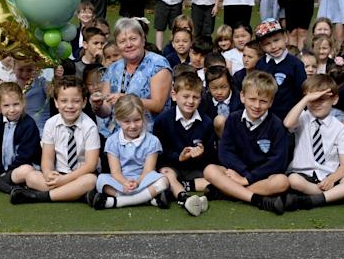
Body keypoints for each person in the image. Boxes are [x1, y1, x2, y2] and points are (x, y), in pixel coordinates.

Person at [203, 71, 290, 214]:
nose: (257, 105)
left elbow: (278, 161)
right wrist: (241, 175)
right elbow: (225, 152)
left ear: (271, 102)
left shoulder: (276, 125)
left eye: (263, 101)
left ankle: (226, 193)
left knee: (282, 182)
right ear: (242, 97)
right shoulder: (233, 119)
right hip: (237, 173)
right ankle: (256, 199)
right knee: (210, 170)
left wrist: (247, 179)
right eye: (252, 99)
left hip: (262, 177)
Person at [282, 75, 344, 210]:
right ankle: (342, 196)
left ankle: (313, 200)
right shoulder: (302, 118)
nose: (317, 104)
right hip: (303, 176)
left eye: (322, 99)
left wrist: (332, 179)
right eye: (313, 99)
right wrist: (306, 98)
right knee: (293, 181)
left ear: (334, 100)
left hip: (330, 176)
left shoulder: (340, 128)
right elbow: (287, 123)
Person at [10, 76, 102, 205]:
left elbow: (90, 165)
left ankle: (39, 196)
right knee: (31, 177)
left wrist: (64, 180)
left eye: (76, 101)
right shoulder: (51, 124)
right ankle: (73, 194)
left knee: (91, 181)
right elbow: (47, 158)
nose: (69, 106)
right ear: (56, 103)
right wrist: (48, 173)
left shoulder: (90, 126)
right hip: (58, 173)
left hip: (80, 174)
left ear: (84, 102)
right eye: (64, 101)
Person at [90, 94, 172, 210]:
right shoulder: (112, 141)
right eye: (127, 121)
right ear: (117, 120)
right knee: (101, 180)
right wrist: (125, 183)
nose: (133, 126)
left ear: (143, 116)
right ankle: (147, 199)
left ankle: (117, 202)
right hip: (120, 181)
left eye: (137, 120)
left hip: (144, 180)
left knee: (163, 180)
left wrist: (137, 182)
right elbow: (115, 172)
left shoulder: (152, 141)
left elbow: (148, 170)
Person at [152, 71, 213, 216]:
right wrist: (178, 157)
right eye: (185, 96)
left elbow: (211, 156)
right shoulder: (163, 120)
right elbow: (159, 151)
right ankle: (183, 197)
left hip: (194, 169)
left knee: (212, 180)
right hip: (172, 166)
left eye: (195, 97)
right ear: (174, 95)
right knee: (166, 174)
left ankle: (183, 188)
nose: (190, 101)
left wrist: (201, 153)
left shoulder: (206, 122)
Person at [96, 18, 171, 133]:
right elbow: (106, 110)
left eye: (133, 39)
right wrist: (98, 105)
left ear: (143, 40)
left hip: (149, 137)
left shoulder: (158, 65)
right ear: (117, 45)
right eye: (122, 41)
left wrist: (126, 99)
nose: (128, 45)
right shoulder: (113, 68)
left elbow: (158, 105)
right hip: (117, 137)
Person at [254, 20, 306, 121]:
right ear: (261, 46)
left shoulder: (295, 64)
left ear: (285, 37)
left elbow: (301, 92)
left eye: (276, 40)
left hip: (287, 117)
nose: (273, 47)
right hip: (264, 116)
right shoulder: (260, 64)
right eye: (267, 44)